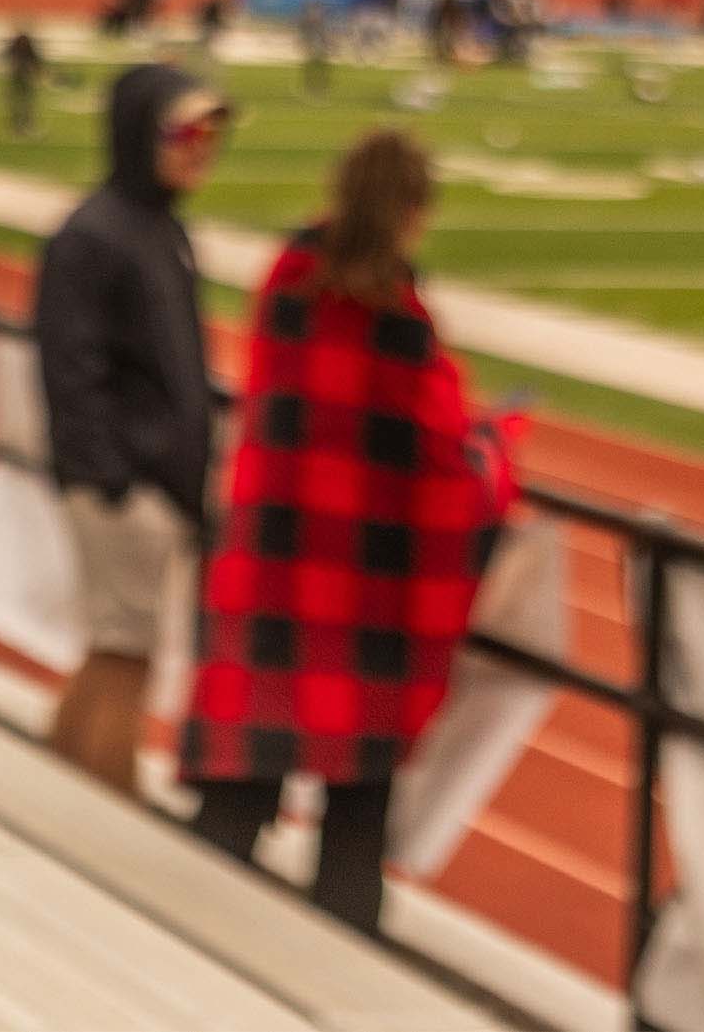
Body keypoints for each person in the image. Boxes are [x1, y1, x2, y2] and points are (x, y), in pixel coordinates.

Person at [183, 131, 523, 935]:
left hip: (272, 575)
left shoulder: (287, 282)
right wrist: (498, 446)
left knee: (235, 794)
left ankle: (180, 956)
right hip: (365, 598)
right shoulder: (398, 320)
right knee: (356, 816)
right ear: (413, 211)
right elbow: (441, 461)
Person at [31, 62, 229, 793]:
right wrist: (112, 477)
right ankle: (104, 817)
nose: (200, 145)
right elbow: (69, 368)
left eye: (211, 130)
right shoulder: (96, 234)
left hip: (150, 484)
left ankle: (62, 797)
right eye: (183, 129)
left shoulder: (159, 228)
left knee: (114, 649)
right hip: (125, 488)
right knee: (127, 657)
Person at [0, 24, 47, 140]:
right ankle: (19, 125)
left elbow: (35, 59)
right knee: (20, 102)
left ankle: (23, 125)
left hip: (23, 76)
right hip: (21, 76)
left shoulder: (21, 44)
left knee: (24, 102)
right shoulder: (21, 44)